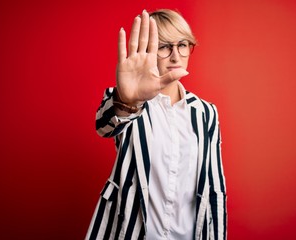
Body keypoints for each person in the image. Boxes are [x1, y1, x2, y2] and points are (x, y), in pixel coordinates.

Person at [86, 9, 227, 240]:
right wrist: (128, 100)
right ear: (149, 50)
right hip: (129, 232)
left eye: (182, 44)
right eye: (164, 46)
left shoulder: (206, 113)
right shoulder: (129, 100)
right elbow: (104, 126)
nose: (175, 56)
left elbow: (215, 188)